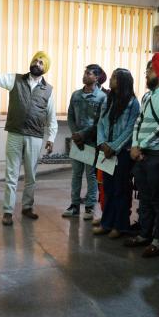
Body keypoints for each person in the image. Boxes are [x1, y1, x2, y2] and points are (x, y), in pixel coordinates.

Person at [0, 39, 58, 226]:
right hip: (15, 134)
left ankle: (27, 207)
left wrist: (51, 138)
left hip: (34, 136)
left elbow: (51, 118)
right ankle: (8, 212)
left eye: (41, 62)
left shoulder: (48, 90)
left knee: (31, 176)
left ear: (45, 67)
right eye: (35, 60)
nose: (37, 63)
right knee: (11, 174)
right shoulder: (15, 80)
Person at [123, 53, 159, 257]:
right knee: (145, 197)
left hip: (158, 155)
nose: (146, 74)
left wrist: (142, 147)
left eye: (150, 70)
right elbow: (139, 123)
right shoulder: (147, 96)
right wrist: (136, 145)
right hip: (142, 155)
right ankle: (144, 235)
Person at [93, 68, 140, 238]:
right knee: (108, 188)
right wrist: (102, 143)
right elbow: (101, 123)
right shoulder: (108, 99)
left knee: (121, 190)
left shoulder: (133, 102)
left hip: (121, 153)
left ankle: (120, 226)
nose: (111, 80)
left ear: (123, 81)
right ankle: (107, 223)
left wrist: (114, 146)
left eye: (114, 77)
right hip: (106, 151)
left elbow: (130, 129)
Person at [63, 64, 107, 220]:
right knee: (76, 174)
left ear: (96, 78)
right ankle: (74, 205)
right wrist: (75, 134)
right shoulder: (76, 95)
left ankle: (89, 206)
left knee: (91, 175)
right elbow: (70, 116)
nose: (85, 75)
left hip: (90, 142)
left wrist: (83, 134)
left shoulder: (102, 97)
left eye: (88, 73)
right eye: (85, 73)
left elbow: (100, 122)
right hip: (77, 141)